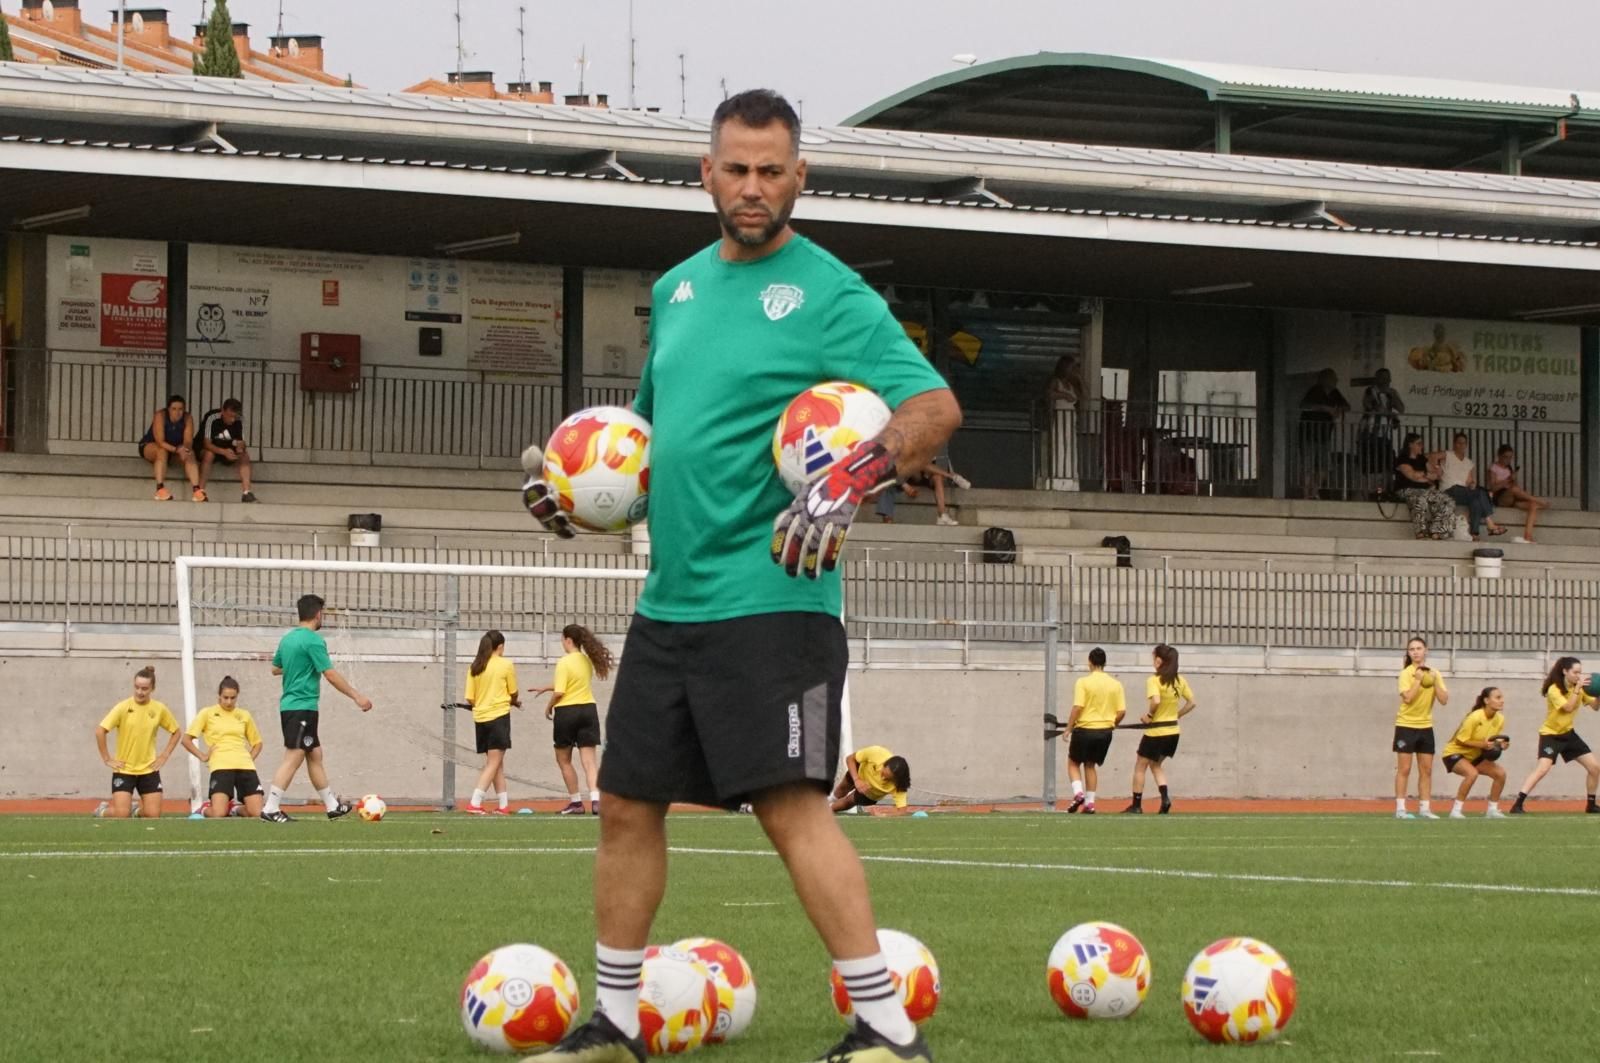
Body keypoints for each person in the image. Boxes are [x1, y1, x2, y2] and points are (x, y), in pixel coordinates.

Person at [520, 88, 959, 1063]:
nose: (752, 186)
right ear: (705, 174)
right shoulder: (676, 291)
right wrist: (576, 495)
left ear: (801, 177)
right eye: (736, 168)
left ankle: (888, 1029)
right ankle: (616, 1024)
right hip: (670, 605)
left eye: (771, 170)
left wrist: (858, 473)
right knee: (626, 805)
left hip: (775, 597)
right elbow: (642, 450)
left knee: (789, 806)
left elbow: (933, 407)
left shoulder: (832, 291)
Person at [260, 594, 374, 824]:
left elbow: (275, 668)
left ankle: (332, 805)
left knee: (315, 754)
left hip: (292, 707)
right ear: (318, 614)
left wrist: (298, 667)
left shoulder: (288, 639)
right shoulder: (313, 641)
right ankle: (270, 807)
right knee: (294, 754)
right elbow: (330, 674)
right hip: (302, 707)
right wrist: (356, 696)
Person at [528, 624, 613, 817]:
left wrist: (548, 706)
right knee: (589, 761)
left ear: (568, 640)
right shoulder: (586, 660)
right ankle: (596, 800)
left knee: (563, 759)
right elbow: (574, 684)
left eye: (562, 640)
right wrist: (546, 687)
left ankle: (576, 802)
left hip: (567, 712)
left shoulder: (564, 662)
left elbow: (561, 691)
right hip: (588, 710)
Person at [1510, 657, 1600, 815]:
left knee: (1594, 767)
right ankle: (1517, 803)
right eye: (1575, 672)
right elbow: (1568, 707)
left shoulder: (1579, 689)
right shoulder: (1554, 689)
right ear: (1565, 671)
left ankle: (1591, 805)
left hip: (1569, 734)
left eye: (1580, 672)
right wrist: (1578, 689)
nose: (1578, 675)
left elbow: (1595, 707)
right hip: (1551, 735)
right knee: (1542, 769)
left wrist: (1598, 694)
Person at [94, 665, 181, 818]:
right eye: (137, 687)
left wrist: (164, 755)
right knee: (122, 814)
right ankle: (102, 811)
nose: (140, 692)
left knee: (153, 814)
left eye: (145, 688)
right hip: (124, 769)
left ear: (152, 688)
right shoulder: (123, 707)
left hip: (148, 769)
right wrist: (107, 758)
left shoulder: (159, 709)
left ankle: (136, 811)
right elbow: (100, 731)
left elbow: (176, 732)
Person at [1123, 644, 1195, 815]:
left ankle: (1136, 805)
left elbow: (1155, 701)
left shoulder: (1154, 680)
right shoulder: (1180, 680)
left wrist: (1149, 715)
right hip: (1173, 732)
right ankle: (1165, 799)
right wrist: (1177, 715)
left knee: (1140, 766)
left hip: (1156, 731)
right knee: (1156, 765)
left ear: (1159, 660)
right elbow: (1192, 703)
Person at [181, 675, 266, 818]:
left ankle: (234, 809)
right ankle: (204, 809)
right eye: (225, 697)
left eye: (233, 698)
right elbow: (186, 739)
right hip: (221, 765)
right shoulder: (207, 713)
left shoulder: (244, 715)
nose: (229, 701)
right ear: (219, 696)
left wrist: (249, 758)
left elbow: (257, 743)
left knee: (257, 813)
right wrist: (203, 756)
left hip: (245, 766)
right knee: (218, 814)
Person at [463, 630, 520, 816]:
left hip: (480, 718)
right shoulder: (506, 665)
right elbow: (514, 692)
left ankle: (503, 805)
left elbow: (470, 698)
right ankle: (475, 802)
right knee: (493, 762)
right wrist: (513, 701)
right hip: (498, 716)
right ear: (500, 646)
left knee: (497, 763)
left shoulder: (475, 667)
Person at [1064, 647, 1125, 815]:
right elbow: (1121, 712)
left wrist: (1069, 728)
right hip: (1105, 732)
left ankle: (1078, 793)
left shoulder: (1083, 682)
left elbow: (1078, 707)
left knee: (1073, 762)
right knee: (1090, 765)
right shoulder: (1116, 684)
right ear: (1105, 663)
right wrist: (1112, 724)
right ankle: (1090, 803)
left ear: (1089, 662)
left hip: (1084, 729)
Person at [1395, 636, 1448, 819]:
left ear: (1426, 650)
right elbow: (1408, 698)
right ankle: (1401, 809)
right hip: (1405, 725)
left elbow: (1444, 700)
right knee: (1404, 769)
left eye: (1419, 648)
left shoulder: (1435, 673)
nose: (1416, 652)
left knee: (1426, 770)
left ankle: (1425, 808)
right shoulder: (1406, 673)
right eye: (1412, 649)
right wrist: (1418, 679)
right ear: (1408, 653)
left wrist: (1433, 681)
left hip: (1425, 726)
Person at [1440, 687, 1510, 819]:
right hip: (1453, 752)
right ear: (1486, 700)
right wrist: (1482, 745)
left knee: (1500, 774)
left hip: (1474, 755)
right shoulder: (1475, 717)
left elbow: (1491, 741)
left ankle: (1492, 810)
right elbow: (1460, 740)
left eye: (1502, 698)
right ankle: (1456, 811)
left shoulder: (1500, 719)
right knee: (1472, 773)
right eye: (1498, 698)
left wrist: (1501, 745)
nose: (1502, 701)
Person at [1438, 433, 1505, 540]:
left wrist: (1472, 484)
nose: (1461, 445)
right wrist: (1433, 468)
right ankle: (1490, 523)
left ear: (1466, 445)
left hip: (1463, 491)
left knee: (1476, 501)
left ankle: (1474, 533)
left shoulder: (1469, 462)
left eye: (1463, 443)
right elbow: (1430, 456)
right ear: (1454, 444)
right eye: (1459, 442)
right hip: (1449, 489)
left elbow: (1470, 481)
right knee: (1481, 493)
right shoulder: (1447, 455)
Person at [139, 394, 203, 502]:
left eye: (180, 409)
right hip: (152, 446)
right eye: (174, 409)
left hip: (175, 450)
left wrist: (184, 448)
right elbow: (160, 441)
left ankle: (196, 490)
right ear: (168, 409)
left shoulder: (187, 418)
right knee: (162, 451)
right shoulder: (160, 415)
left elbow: (188, 440)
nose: (177, 412)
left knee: (190, 453)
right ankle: (160, 489)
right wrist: (177, 450)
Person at [1297, 368, 1349, 500]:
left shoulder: (1335, 393)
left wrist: (1337, 409)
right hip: (1308, 435)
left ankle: (1314, 491)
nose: (1336, 381)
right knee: (1308, 466)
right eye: (1333, 378)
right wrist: (1325, 408)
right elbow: (1304, 405)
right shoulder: (1316, 390)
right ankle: (1305, 494)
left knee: (1324, 467)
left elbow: (1347, 406)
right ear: (1325, 379)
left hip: (1324, 436)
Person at [1392, 433, 1455, 540]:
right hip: (1406, 489)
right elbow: (1412, 476)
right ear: (1410, 444)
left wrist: (1430, 473)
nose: (1422, 446)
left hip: (1424, 490)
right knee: (1420, 499)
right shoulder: (1402, 459)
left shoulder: (1422, 459)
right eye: (1419, 443)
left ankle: (1437, 530)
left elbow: (1435, 475)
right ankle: (1420, 531)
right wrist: (1426, 476)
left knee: (1447, 500)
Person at [874, 458, 968, 526]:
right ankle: (887, 519)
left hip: (927, 474)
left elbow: (942, 462)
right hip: (908, 474)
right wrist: (904, 485)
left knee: (937, 477)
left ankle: (942, 515)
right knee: (887, 481)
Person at [199, 398, 257, 503]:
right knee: (209, 454)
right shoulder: (212, 418)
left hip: (229, 450)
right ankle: (200, 491)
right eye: (230, 416)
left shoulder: (240, 420)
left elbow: (242, 442)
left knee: (245, 456)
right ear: (222, 411)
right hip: (213, 449)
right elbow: (206, 443)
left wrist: (240, 447)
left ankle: (246, 492)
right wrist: (223, 451)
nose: (232, 420)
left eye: (235, 417)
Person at [1357, 367, 1405, 496]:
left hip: (1385, 434)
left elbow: (1401, 408)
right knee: (1370, 465)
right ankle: (1368, 493)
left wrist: (1393, 395)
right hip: (1370, 433)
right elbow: (1373, 407)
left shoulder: (1392, 392)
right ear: (1377, 379)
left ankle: (1382, 492)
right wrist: (1390, 414)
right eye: (1382, 377)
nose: (1386, 381)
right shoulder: (1370, 391)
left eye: (1387, 377)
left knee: (1386, 464)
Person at [1488, 445, 1546, 544]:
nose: (1508, 460)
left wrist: (1513, 480)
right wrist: (1505, 481)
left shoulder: (1509, 469)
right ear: (1499, 456)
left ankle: (1528, 536)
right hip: (1500, 497)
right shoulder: (1494, 468)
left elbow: (1514, 487)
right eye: (1505, 457)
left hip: (1512, 497)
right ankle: (1537, 499)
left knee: (1533, 505)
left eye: (1510, 457)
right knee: (1515, 490)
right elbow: (1492, 488)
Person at [830, 746, 912, 814]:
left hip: (870, 795)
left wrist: (884, 814)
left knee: (848, 801)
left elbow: (902, 810)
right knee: (842, 789)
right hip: (859, 773)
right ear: (884, 764)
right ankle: (827, 801)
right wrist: (857, 780)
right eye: (883, 773)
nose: (882, 778)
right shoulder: (877, 753)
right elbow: (850, 758)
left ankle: (827, 811)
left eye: (888, 779)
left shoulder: (899, 785)